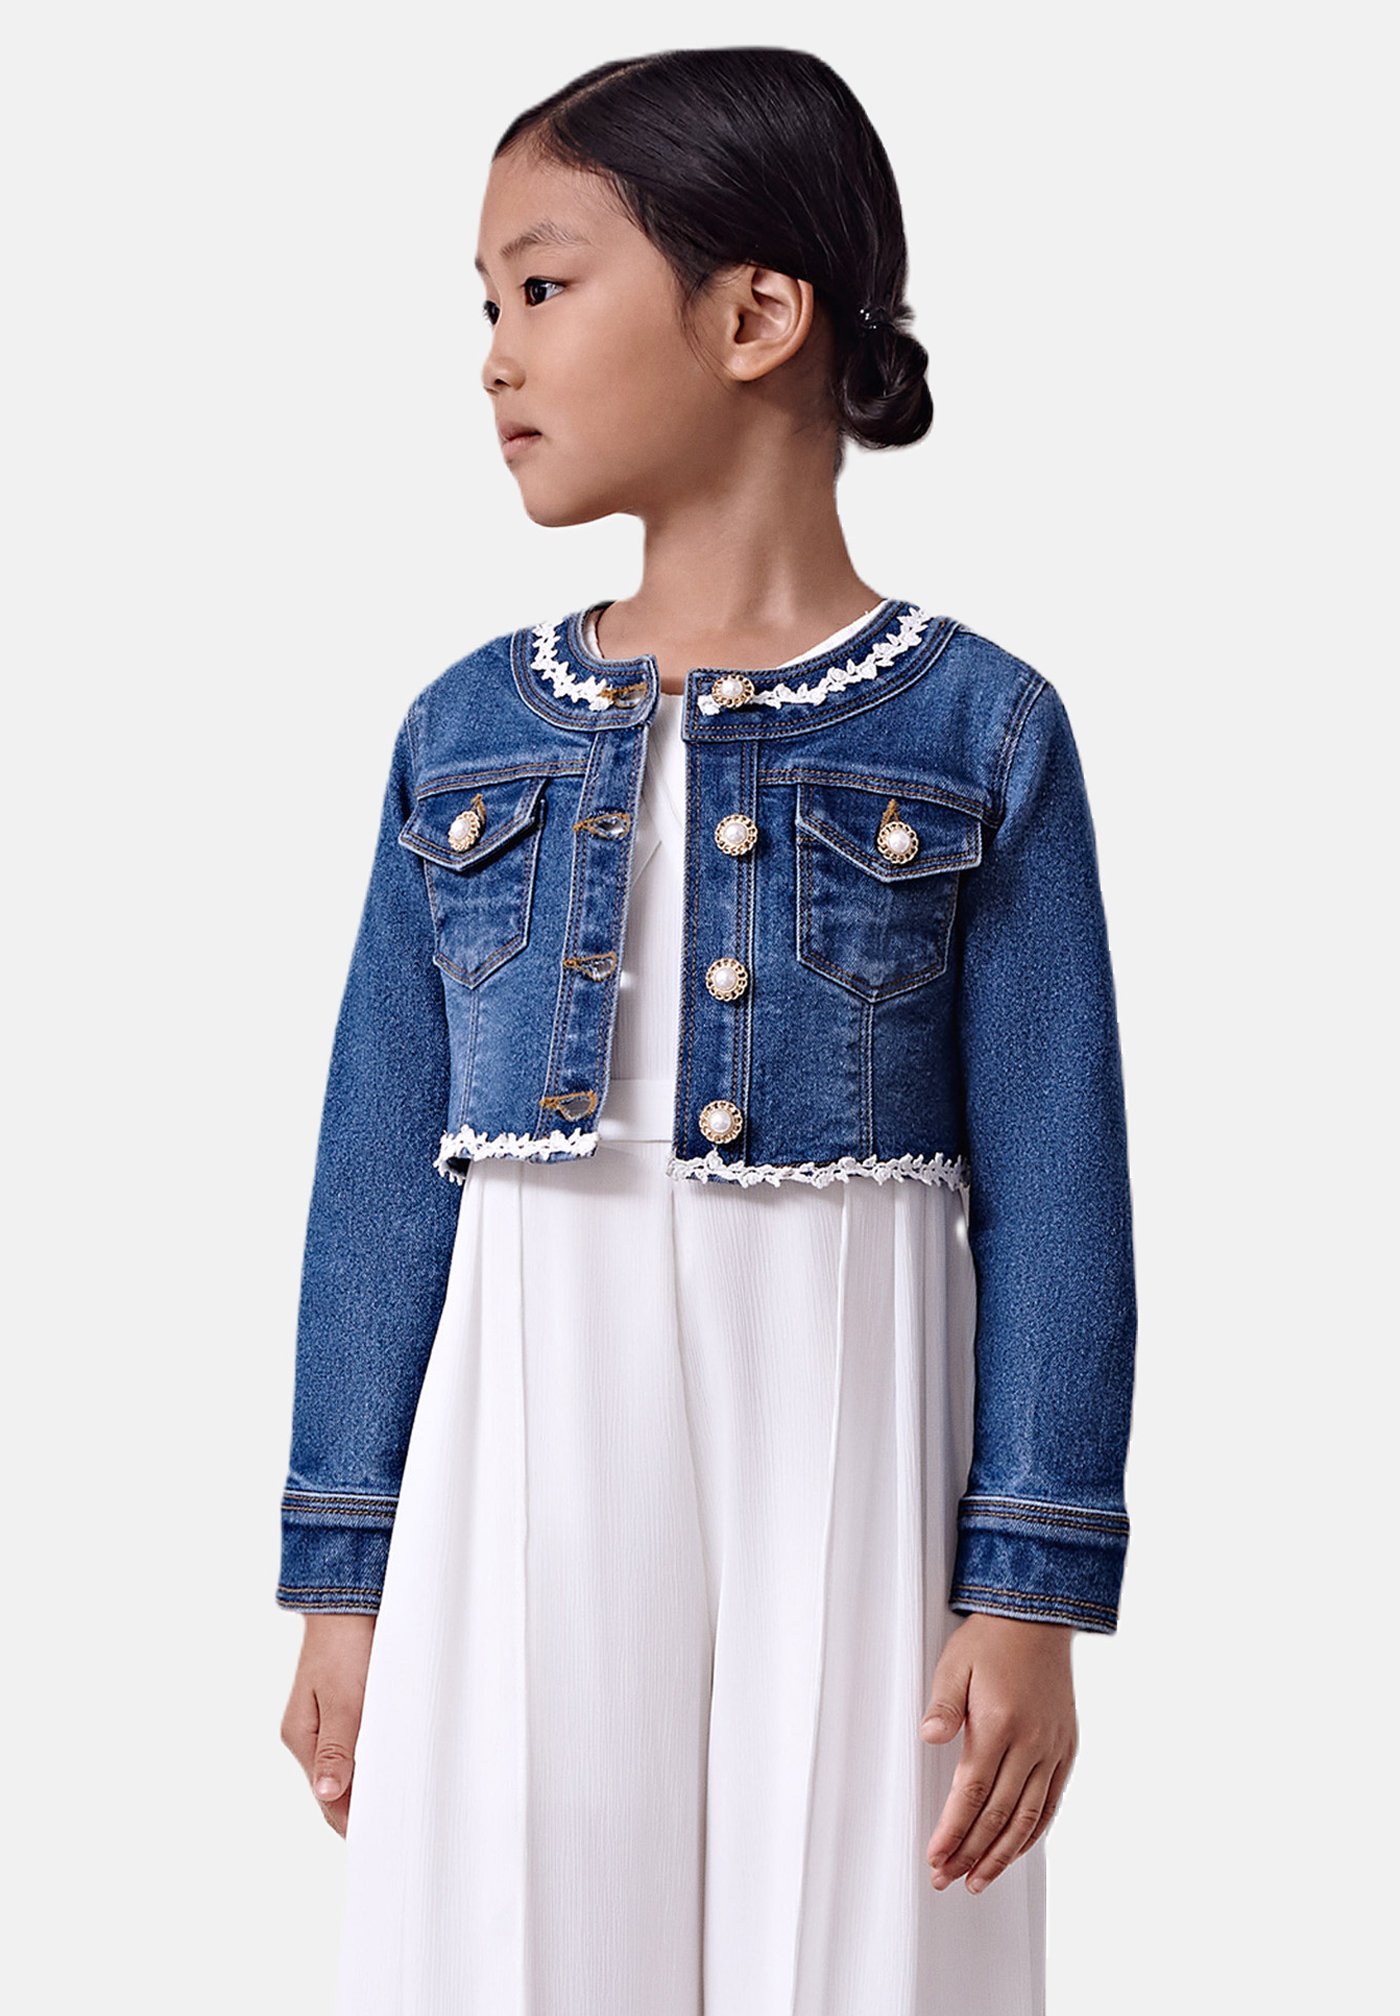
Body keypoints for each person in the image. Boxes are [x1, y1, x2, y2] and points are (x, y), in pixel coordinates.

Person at [276, 45, 1136, 2016]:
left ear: (756, 314)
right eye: (485, 304)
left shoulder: (981, 727)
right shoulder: (461, 731)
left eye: (542, 285)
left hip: (855, 1378)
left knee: (863, 1917)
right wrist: (342, 1569)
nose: (495, 355)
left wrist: (1028, 1586)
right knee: (508, 1917)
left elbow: (1061, 1181)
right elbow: (375, 1167)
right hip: (524, 1393)